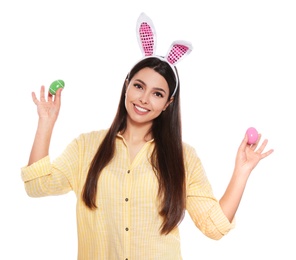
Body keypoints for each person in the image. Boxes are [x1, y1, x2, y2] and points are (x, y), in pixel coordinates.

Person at [21, 13, 273, 260]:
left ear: (167, 103)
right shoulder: (86, 146)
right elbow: (37, 185)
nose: (143, 99)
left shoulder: (183, 157)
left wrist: (242, 171)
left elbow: (214, 227)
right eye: (139, 86)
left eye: (157, 94)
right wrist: (46, 123)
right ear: (127, 85)